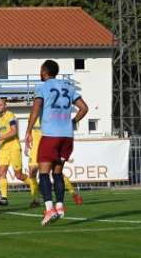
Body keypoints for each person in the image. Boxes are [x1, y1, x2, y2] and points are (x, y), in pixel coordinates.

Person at [25, 60, 88, 226]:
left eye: (40, 70)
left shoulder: (43, 87)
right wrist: (72, 122)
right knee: (58, 173)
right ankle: (60, 207)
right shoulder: (68, 87)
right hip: (67, 136)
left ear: (44, 72)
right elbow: (84, 108)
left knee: (44, 173)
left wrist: (28, 130)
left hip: (51, 135)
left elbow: (36, 109)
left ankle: (49, 209)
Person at [25, 117, 83, 208]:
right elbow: (29, 131)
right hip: (34, 148)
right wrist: (26, 146)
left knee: (56, 172)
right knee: (32, 173)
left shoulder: (48, 115)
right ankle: (35, 199)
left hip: (47, 146)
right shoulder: (32, 116)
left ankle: (73, 193)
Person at [0, 98, 36, 206]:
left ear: (5, 106)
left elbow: (14, 131)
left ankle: (36, 187)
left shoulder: (10, 115)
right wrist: (0, 141)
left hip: (14, 148)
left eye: (0, 105)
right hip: (3, 149)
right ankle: (4, 198)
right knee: (1, 173)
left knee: (19, 175)